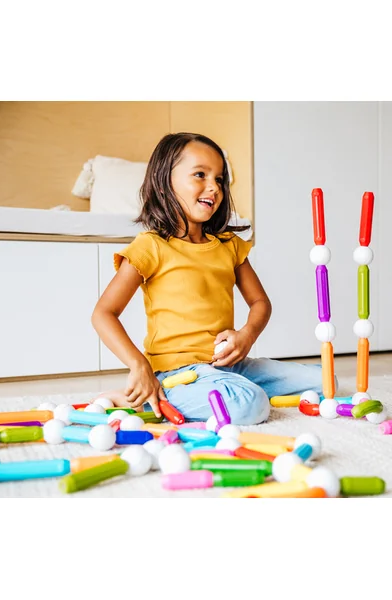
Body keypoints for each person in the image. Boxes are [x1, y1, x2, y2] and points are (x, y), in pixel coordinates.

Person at [91, 132, 328, 425]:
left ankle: (224, 390)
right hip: (179, 372)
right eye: (200, 175)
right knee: (249, 404)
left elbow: (260, 302)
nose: (214, 187)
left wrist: (247, 335)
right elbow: (104, 313)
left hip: (231, 365)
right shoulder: (150, 246)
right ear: (164, 182)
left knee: (325, 381)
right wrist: (139, 365)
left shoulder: (229, 245)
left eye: (219, 179)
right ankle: (151, 395)